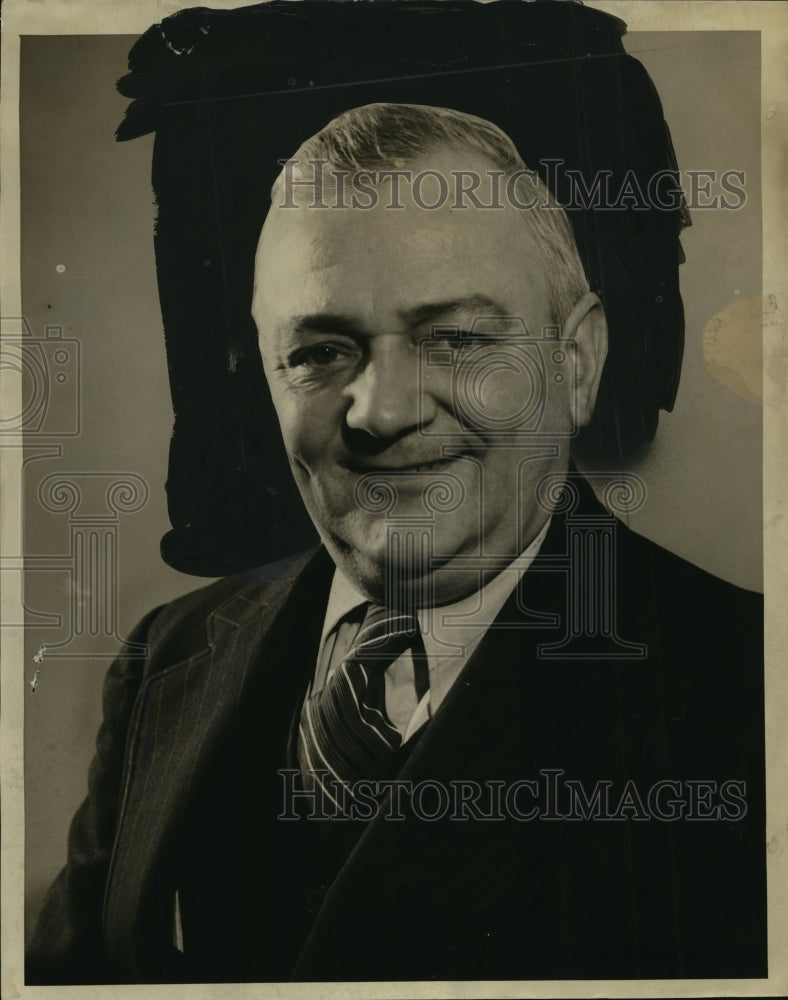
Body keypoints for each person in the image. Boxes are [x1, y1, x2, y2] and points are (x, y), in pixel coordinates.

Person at [26, 103, 765, 985]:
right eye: (320, 352)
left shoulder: (753, 690)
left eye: (454, 339)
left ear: (577, 364)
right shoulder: (167, 658)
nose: (380, 412)